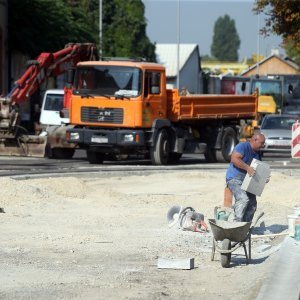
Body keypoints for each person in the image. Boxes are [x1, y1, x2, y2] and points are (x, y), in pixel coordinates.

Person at [225, 133, 266, 222]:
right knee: (243, 199)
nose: (263, 145)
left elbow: (258, 168)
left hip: (247, 181)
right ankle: (237, 223)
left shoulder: (257, 153)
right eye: (262, 143)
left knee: (252, 204)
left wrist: (264, 177)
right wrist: (247, 168)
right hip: (234, 178)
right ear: (255, 140)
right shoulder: (242, 146)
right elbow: (234, 159)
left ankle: (245, 226)